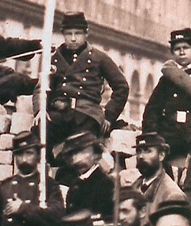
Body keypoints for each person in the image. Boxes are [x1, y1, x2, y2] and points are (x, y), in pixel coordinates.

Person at [32, 11, 129, 167]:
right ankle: (50, 170)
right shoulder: (53, 58)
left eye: (78, 33)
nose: (73, 38)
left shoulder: (99, 58)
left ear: (86, 34)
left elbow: (121, 86)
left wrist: (110, 116)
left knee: (78, 150)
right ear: (63, 34)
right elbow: (41, 87)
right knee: (39, 133)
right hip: (60, 113)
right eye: (69, 34)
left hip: (87, 114)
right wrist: (40, 109)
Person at [142, 28, 191, 161]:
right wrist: (151, 133)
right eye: (177, 49)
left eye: (186, 48)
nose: (182, 52)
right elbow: (153, 108)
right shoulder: (167, 80)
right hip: (169, 133)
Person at [0, 131, 65, 226]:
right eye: (20, 154)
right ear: (14, 157)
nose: (24, 159)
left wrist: (23, 208)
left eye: (29, 153)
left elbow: (57, 216)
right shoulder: (5, 187)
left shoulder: (49, 185)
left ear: (38, 155)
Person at [53, 131, 114, 222]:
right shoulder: (75, 183)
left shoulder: (105, 183)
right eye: (72, 153)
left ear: (96, 154)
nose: (76, 157)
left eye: (81, 151)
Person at [132, 132, 187, 225]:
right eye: (139, 151)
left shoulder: (172, 195)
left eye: (147, 151)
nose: (141, 156)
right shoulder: (134, 186)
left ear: (161, 155)